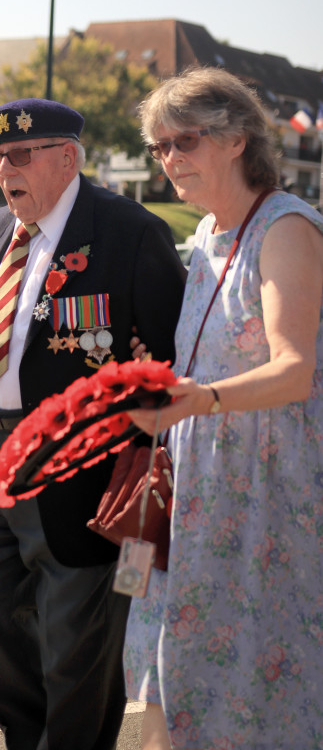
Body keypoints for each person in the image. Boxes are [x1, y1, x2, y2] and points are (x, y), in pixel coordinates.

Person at [0, 97, 186, 750]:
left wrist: (147, 402)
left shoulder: (128, 232)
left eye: (19, 155)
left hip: (77, 467)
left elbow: (176, 352)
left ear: (66, 158)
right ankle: (31, 736)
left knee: (75, 640)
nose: (4, 170)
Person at [124, 67, 323, 750]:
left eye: (185, 141)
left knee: (254, 681)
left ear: (237, 139)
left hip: (264, 492)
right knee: (171, 671)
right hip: (193, 485)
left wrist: (201, 399)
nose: (170, 158)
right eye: (159, 147)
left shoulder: (286, 226)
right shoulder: (207, 231)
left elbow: (294, 371)